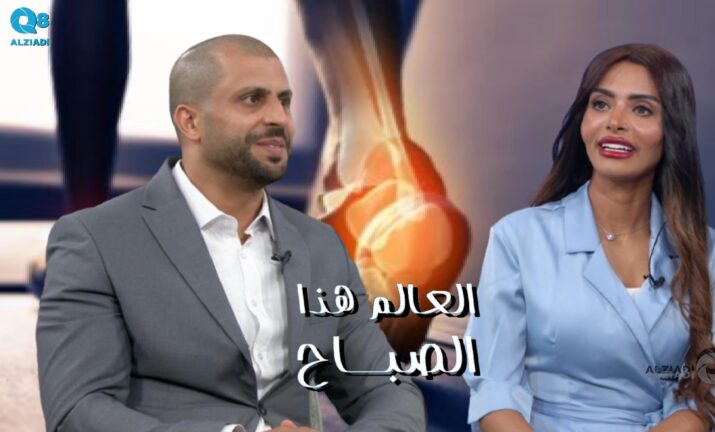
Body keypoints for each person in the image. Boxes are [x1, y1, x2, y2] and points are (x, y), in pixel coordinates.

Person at [36, 35, 425, 432]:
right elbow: (77, 410)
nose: (279, 118)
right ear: (190, 122)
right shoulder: (95, 239)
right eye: (253, 99)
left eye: (284, 101)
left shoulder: (321, 244)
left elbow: (388, 389)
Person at [464, 44, 715, 432]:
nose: (615, 121)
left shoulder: (710, 251)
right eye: (601, 104)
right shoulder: (517, 237)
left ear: (672, 131)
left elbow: (709, 384)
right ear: (583, 121)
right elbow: (494, 386)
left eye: (641, 109)